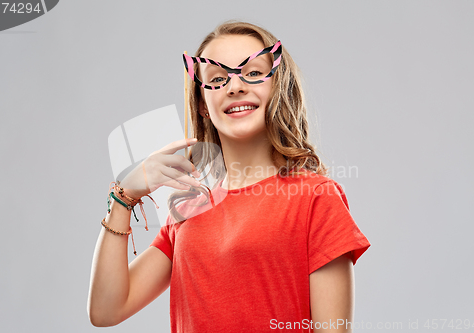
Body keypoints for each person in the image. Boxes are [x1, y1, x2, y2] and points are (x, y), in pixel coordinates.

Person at [88, 21, 370, 332]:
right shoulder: (187, 207)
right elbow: (106, 310)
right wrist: (124, 195)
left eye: (252, 73)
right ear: (202, 105)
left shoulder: (316, 197)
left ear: (278, 87)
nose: (235, 86)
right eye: (218, 79)